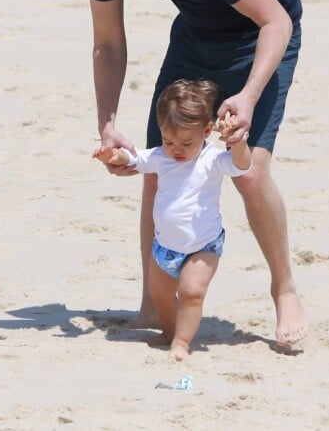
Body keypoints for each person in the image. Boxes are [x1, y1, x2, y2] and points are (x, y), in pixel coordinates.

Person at [75, 0, 307, 346]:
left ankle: (284, 290)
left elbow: (276, 20)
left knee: (249, 171)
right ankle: (151, 301)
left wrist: (248, 96)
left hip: (258, 37)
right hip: (196, 35)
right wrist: (107, 124)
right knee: (161, 164)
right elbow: (107, 42)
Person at [94, 79, 252, 360]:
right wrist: (113, 154)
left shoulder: (212, 160)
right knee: (160, 296)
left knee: (192, 292)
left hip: (202, 245)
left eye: (186, 143)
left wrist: (237, 143)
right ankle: (169, 331)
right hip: (164, 247)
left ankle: (181, 341)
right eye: (168, 140)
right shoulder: (161, 156)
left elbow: (241, 165)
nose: (176, 149)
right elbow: (132, 159)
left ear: (206, 131)